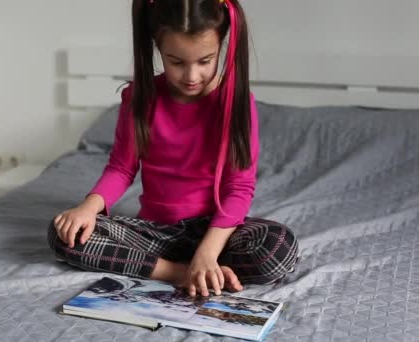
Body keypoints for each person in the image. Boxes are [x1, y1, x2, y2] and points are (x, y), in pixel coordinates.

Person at [48, 0, 298, 298]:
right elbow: (122, 168)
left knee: (278, 247)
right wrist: (88, 208)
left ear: (223, 46)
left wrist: (207, 252)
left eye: (205, 61)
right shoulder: (139, 99)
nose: (191, 76)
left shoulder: (238, 104)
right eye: (176, 62)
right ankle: (181, 271)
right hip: (155, 233)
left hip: (216, 234)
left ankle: (201, 264)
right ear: (157, 49)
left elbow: (240, 187)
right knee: (64, 234)